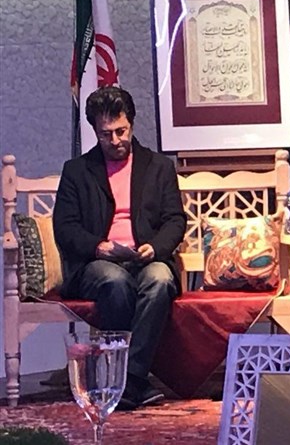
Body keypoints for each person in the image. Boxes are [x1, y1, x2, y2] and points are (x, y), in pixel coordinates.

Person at [54, 86, 187, 410]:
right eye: (106, 134)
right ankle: (134, 384)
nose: (115, 141)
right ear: (95, 131)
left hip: (147, 258)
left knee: (159, 280)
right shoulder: (77, 171)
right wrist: (98, 246)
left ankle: (128, 380)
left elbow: (175, 219)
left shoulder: (158, 166)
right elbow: (65, 227)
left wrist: (155, 248)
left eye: (121, 131)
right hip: (97, 263)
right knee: (115, 281)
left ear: (132, 124)